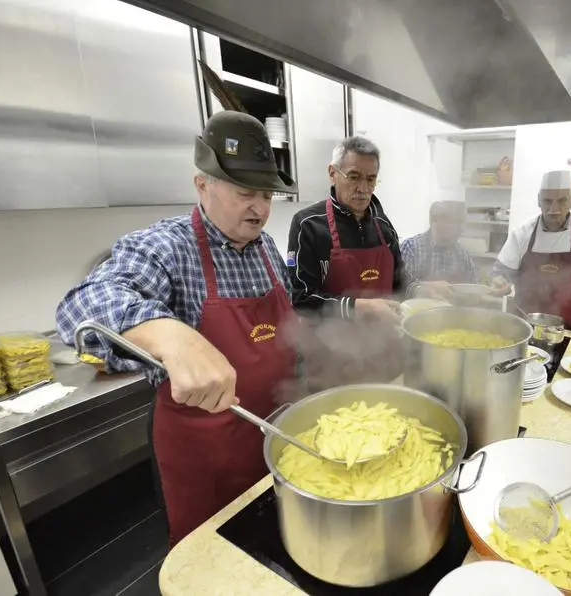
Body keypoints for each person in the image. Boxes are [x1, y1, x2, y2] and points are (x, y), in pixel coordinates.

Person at [55, 111, 299, 546]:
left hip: (277, 444)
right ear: (202, 184)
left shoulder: (267, 248)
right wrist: (168, 333)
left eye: (266, 194)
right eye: (245, 192)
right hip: (208, 460)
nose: (260, 207)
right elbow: (82, 306)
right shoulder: (165, 247)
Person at [287, 136, 447, 389]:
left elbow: (399, 281)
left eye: (371, 179)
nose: (363, 188)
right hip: (332, 365)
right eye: (353, 176)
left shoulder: (383, 226)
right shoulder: (308, 224)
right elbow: (302, 300)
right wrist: (362, 307)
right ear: (333, 173)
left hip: (385, 359)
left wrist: (421, 289)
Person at [491, 170, 571, 330]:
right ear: (538, 201)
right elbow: (501, 272)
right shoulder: (522, 233)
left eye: (562, 201)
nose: (553, 209)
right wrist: (499, 283)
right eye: (547, 201)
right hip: (525, 328)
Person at [400, 200, 478, 284]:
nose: (459, 228)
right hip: (419, 297)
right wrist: (427, 287)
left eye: (461, 223)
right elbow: (400, 286)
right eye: (453, 221)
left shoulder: (463, 255)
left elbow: (473, 286)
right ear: (433, 221)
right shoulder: (411, 248)